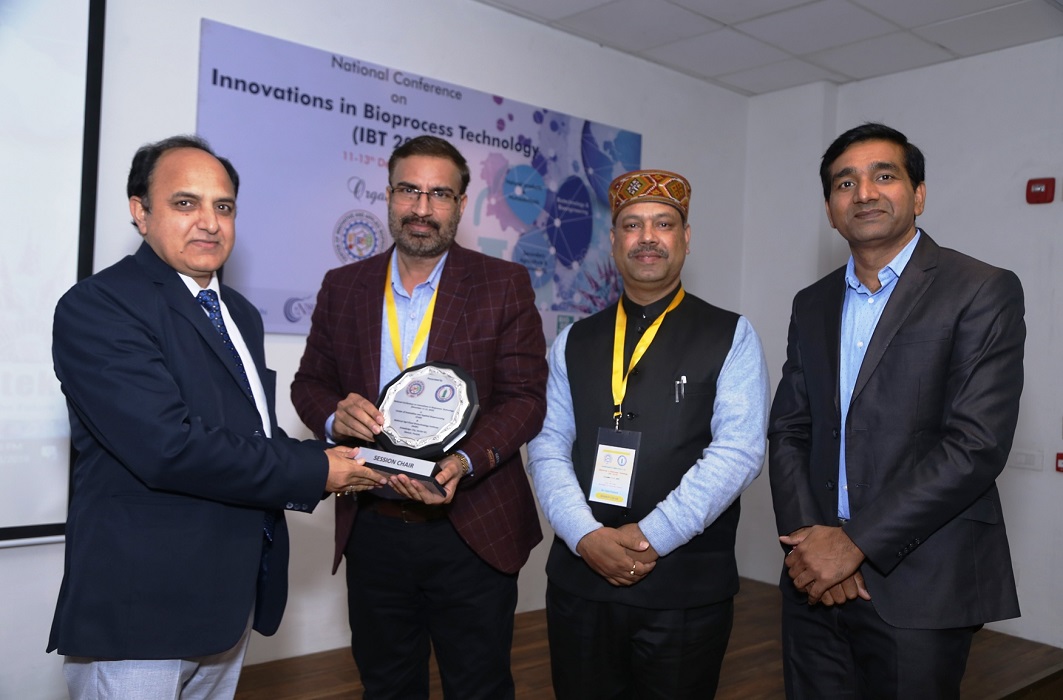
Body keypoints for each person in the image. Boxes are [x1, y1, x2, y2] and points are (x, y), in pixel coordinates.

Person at [48, 135, 375, 699]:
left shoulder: (238, 313)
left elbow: (250, 434)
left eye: (223, 206)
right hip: (142, 611)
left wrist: (334, 451)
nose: (209, 222)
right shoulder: (100, 305)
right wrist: (317, 470)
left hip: (227, 602)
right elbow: (168, 446)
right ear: (140, 212)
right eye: (185, 203)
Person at [768, 122, 1025, 699]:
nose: (864, 193)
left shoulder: (980, 289)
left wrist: (853, 544)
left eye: (884, 176)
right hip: (813, 579)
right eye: (845, 183)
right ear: (830, 210)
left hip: (922, 583)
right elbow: (789, 429)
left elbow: (975, 445)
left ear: (919, 194)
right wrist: (812, 543)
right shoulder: (811, 303)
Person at [290, 135, 548, 699]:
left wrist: (463, 462)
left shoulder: (503, 285)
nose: (422, 208)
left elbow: (526, 398)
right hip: (373, 525)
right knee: (386, 685)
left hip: (471, 526)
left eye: (439, 194)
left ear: (461, 204)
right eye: (409, 190)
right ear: (388, 196)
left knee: (478, 687)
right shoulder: (343, 287)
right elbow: (308, 384)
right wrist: (334, 418)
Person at [526, 169, 770, 699]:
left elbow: (739, 452)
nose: (647, 237)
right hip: (581, 580)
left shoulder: (730, 334)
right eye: (632, 225)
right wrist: (585, 536)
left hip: (684, 589)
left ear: (686, 237)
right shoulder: (574, 340)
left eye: (664, 223)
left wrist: (649, 537)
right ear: (614, 241)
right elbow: (546, 444)